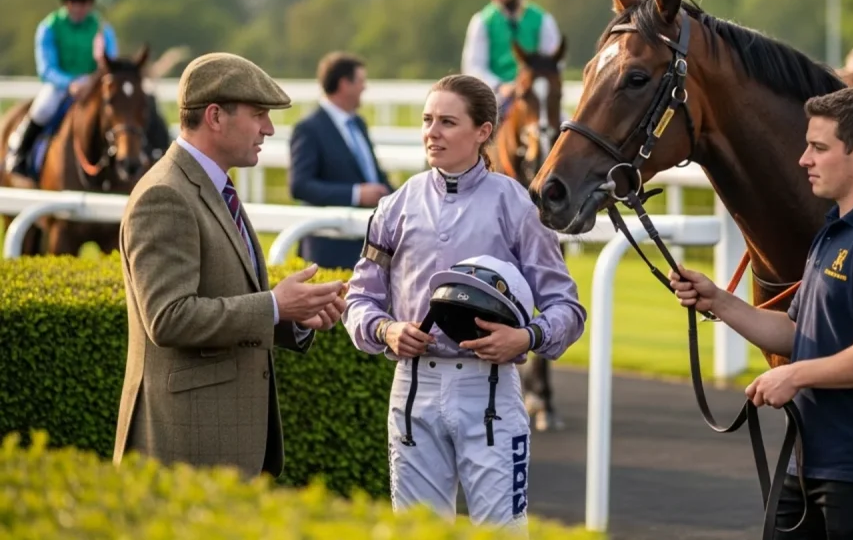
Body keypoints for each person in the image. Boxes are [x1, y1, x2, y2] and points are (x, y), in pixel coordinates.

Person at [671, 86, 853, 539]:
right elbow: (798, 331)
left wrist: (795, 376)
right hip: (811, 458)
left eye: (818, 147)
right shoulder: (834, 230)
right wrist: (719, 301)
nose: (803, 159)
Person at [342, 73, 586, 529]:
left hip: (490, 392)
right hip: (413, 391)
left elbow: (567, 310)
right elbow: (360, 300)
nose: (432, 132)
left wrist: (526, 337)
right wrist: (385, 329)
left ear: (483, 132)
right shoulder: (396, 206)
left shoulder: (518, 206)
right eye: (427, 120)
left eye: (447, 122)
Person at [114, 52, 348, 479]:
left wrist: (293, 316)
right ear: (215, 116)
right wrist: (275, 306)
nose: (269, 129)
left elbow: (224, 298)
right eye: (259, 114)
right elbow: (168, 319)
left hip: (222, 443)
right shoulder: (164, 195)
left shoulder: (210, 184)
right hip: (187, 443)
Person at [6, 0, 119, 176]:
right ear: (65, 2)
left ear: (91, 2)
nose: (79, 6)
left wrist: (93, 80)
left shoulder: (102, 29)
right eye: (74, 1)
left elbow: (112, 62)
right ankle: (19, 154)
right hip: (60, 85)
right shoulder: (49, 27)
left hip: (93, 85)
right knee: (43, 108)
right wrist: (71, 84)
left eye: (84, 1)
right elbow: (46, 69)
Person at [289, 51, 393, 270]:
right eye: (361, 81)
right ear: (344, 84)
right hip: (329, 249)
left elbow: (374, 174)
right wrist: (356, 194)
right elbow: (300, 185)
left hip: (367, 243)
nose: (365, 88)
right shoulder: (309, 129)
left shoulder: (359, 124)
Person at [461, 0, 563, 124]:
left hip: (534, 92)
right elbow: (474, 66)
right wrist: (500, 86)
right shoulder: (482, 21)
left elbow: (555, 62)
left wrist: (529, 84)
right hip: (497, 95)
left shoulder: (543, 20)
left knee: (565, 128)